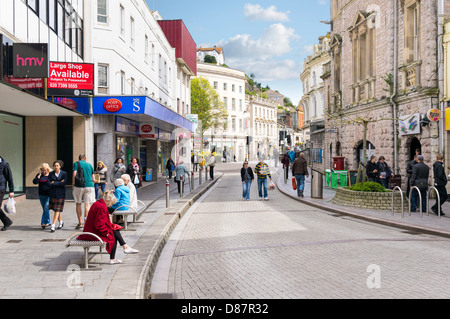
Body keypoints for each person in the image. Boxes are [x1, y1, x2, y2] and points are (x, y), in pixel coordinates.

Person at [78, 190, 139, 265]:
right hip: (92, 234)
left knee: (114, 231)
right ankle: (120, 252)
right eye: (111, 203)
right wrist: (106, 233)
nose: (110, 206)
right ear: (107, 200)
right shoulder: (101, 207)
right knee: (112, 235)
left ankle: (122, 249)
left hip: (91, 230)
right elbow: (99, 225)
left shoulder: (98, 204)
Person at [73, 154, 95, 230]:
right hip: (89, 185)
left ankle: (80, 223)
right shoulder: (89, 165)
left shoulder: (76, 163)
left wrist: (73, 184)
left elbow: (74, 174)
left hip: (79, 186)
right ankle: (86, 223)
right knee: (87, 205)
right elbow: (93, 178)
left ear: (79, 158)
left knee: (78, 203)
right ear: (85, 158)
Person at [48, 160, 67, 233]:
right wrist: (59, 182)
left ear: (60, 166)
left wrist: (54, 182)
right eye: (55, 165)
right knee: (55, 209)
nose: (56, 167)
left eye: (57, 166)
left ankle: (53, 225)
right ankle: (61, 221)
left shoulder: (64, 174)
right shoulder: (51, 174)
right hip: (53, 193)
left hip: (61, 194)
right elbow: (49, 183)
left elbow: (64, 183)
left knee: (57, 209)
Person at [33, 163, 52, 229]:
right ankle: (48, 221)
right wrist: (39, 175)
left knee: (46, 207)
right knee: (44, 209)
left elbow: (52, 184)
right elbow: (35, 182)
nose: (44, 171)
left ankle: (43, 223)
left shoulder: (50, 176)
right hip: (41, 194)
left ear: (48, 170)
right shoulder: (39, 175)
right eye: (42, 170)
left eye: (45, 170)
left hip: (48, 194)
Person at [0, 156, 14, 231]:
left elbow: (10, 178)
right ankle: (7, 221)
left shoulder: (5, 164)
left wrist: (11, 190)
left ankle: (6, 221)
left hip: (1, 188)